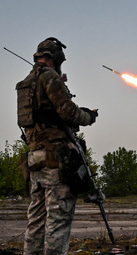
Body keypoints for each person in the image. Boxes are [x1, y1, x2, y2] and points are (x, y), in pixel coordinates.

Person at [17, 37, 98, 255]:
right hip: (55, 159)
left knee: (36, 220)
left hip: (35, 158)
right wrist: (89, 116)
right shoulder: (50, 77)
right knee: (58, 219)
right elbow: (69, 113)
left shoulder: (26, 83)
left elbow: (45, 114)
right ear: (55, 57)